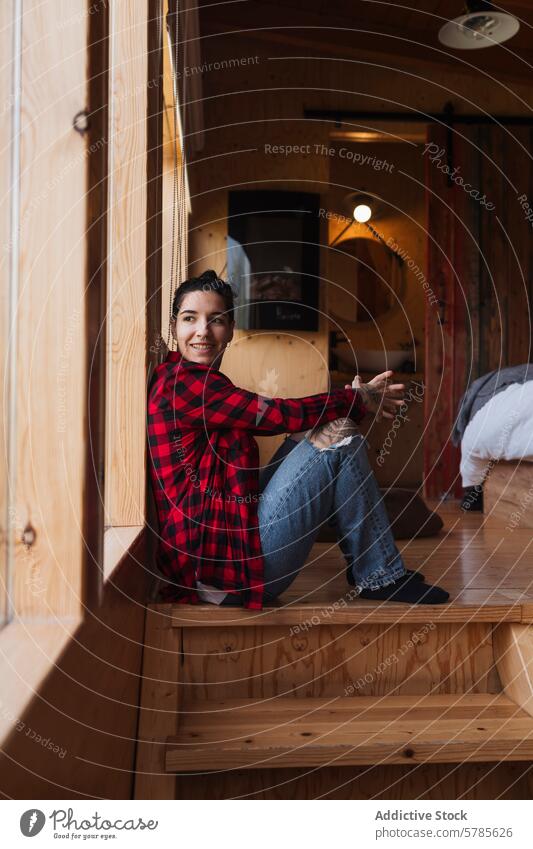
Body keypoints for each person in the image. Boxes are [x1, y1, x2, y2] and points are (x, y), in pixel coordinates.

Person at [147, 270, 449, 609]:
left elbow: (286, 418)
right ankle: (379, 574)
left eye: (215, 320)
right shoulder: (187, 385)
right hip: (224, 577)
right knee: (341, 435)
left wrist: (348, 402)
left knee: (324, 427)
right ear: (174, 326)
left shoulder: (180, 376)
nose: (202, 331)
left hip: (226, 541)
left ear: (231, 330)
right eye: (190, 318)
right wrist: (355, 400)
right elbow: (275, 414)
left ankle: (376, 568)